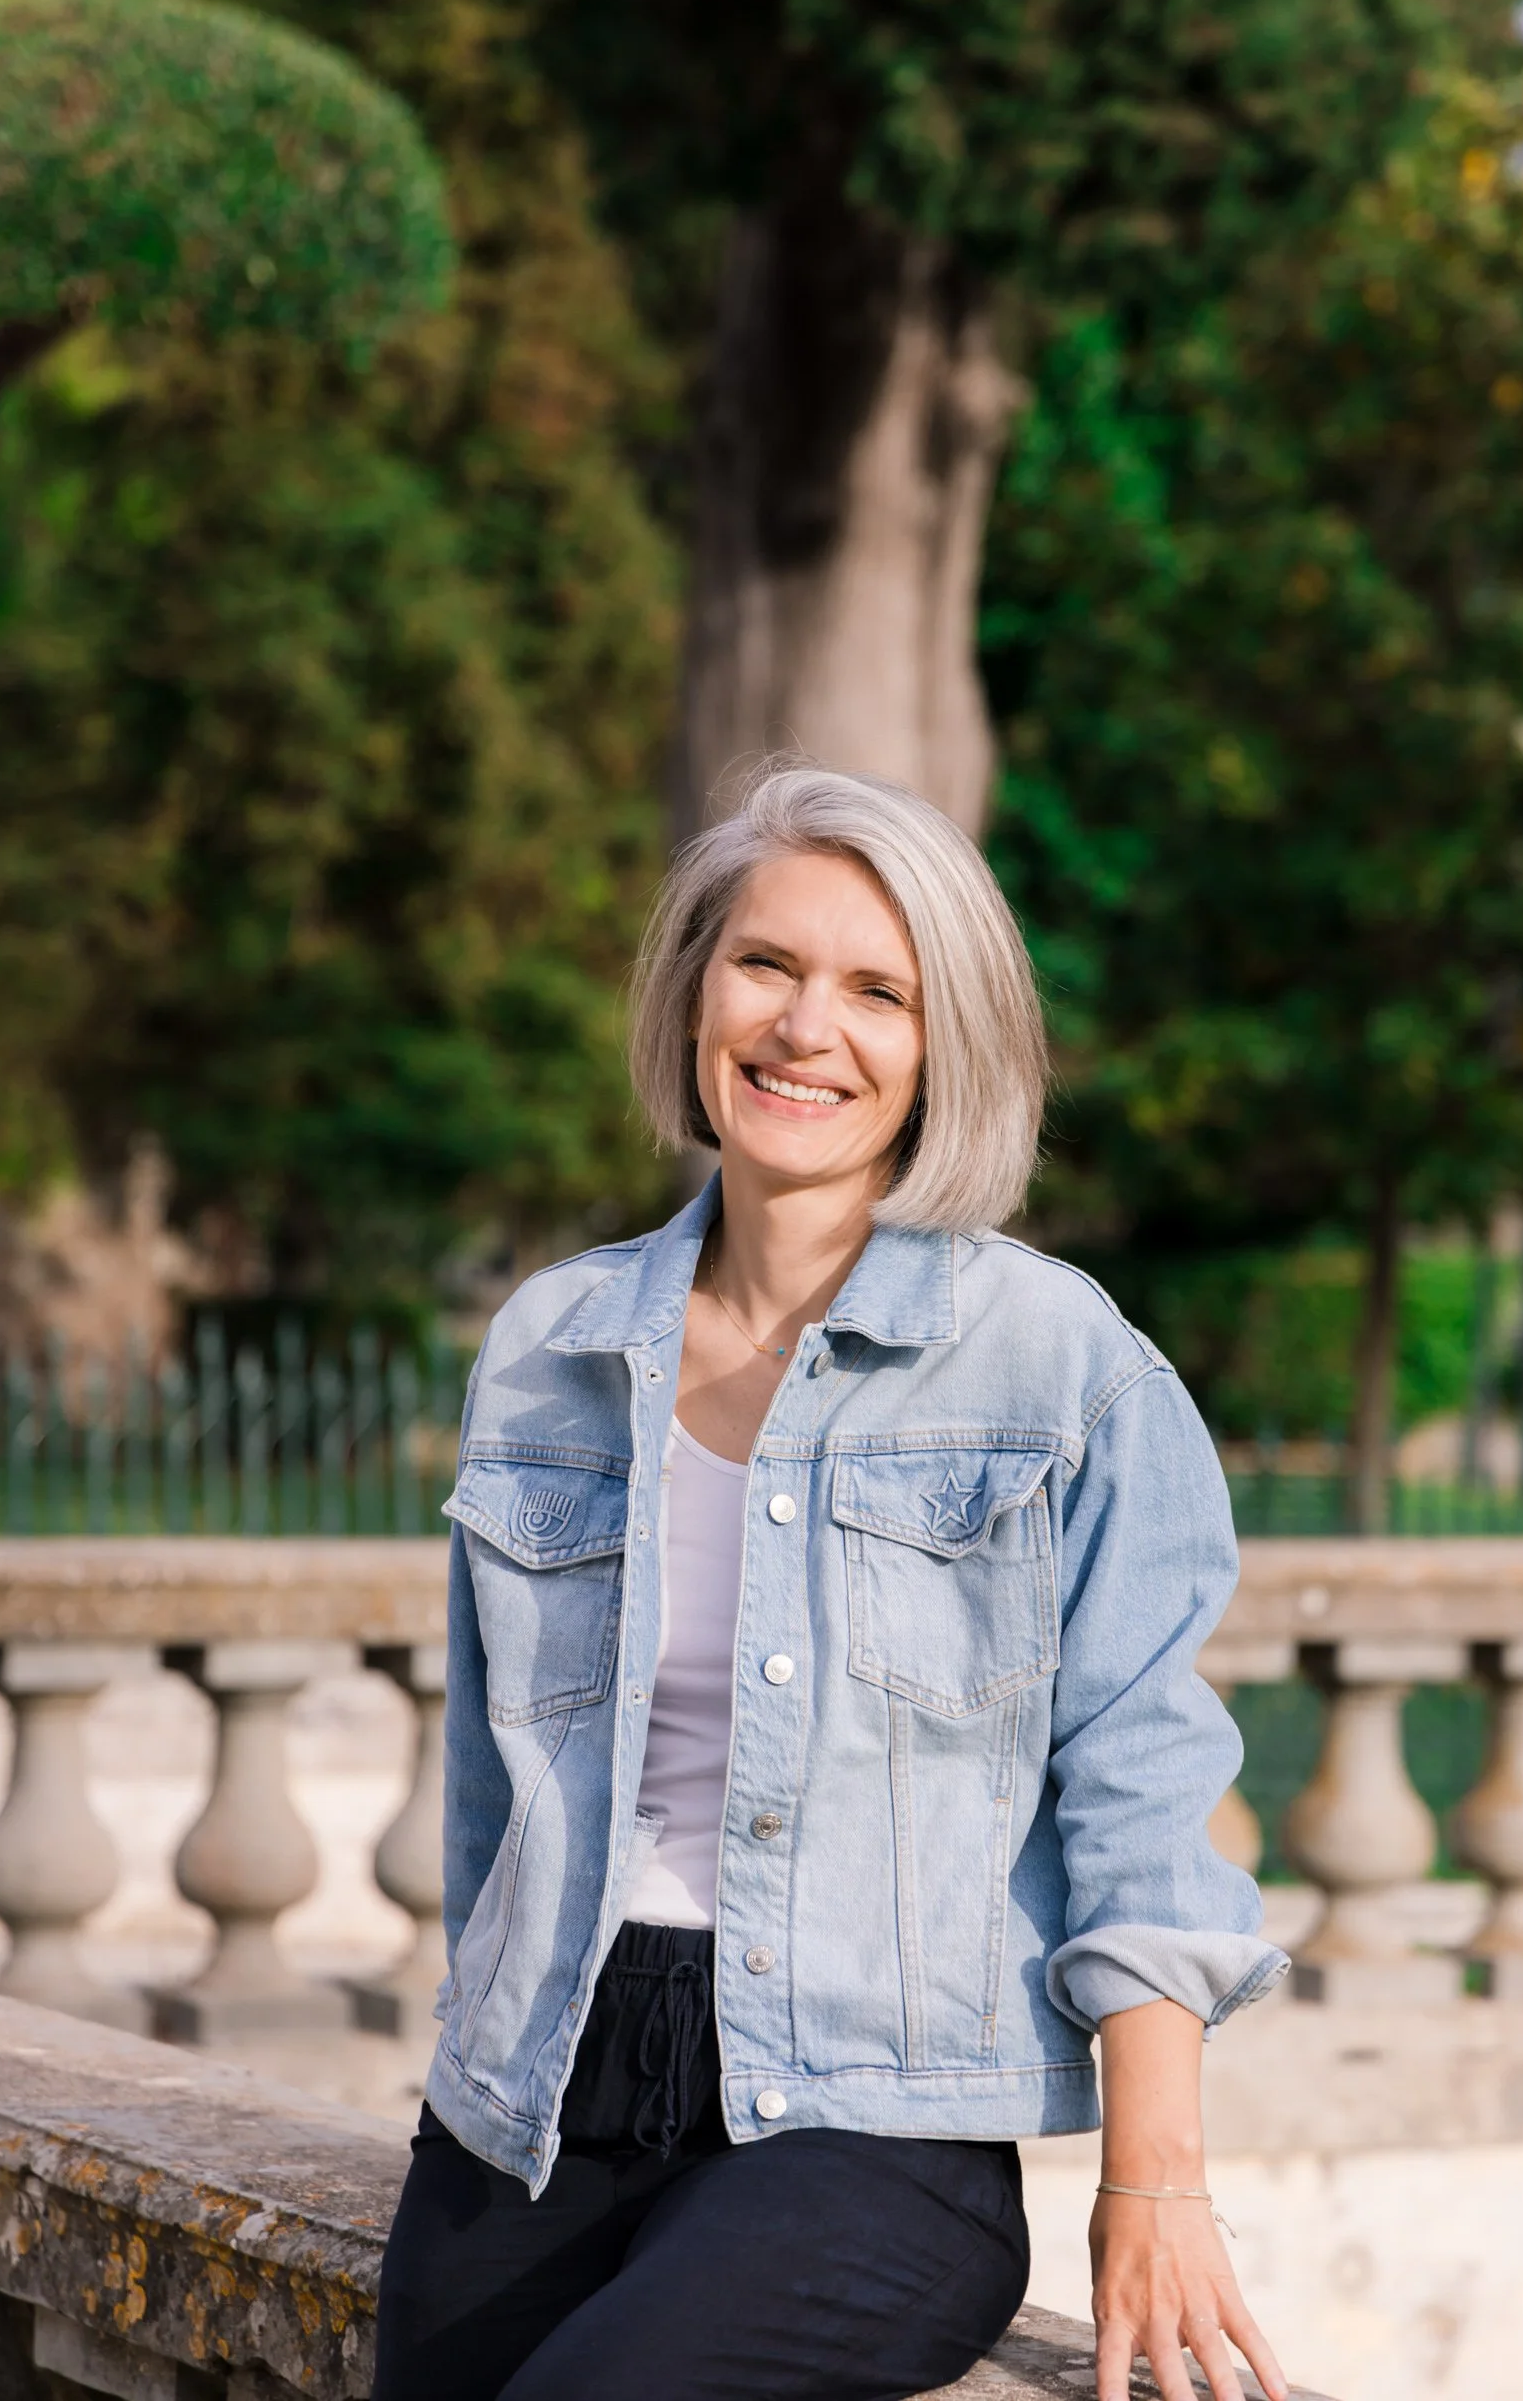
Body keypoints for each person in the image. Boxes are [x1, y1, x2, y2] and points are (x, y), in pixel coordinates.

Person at [372, 762, 1291, 2401]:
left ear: (947, 1051)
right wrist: (479, 2066)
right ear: (694, 993)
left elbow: (1141, 1792)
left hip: (874, 2122)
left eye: (881, 991)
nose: (810, 1028)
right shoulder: (551, 1347)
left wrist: (1152, 2184)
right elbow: (491, 1794)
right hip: (540, 2091)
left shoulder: (1059, 1364)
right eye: (768, 966)